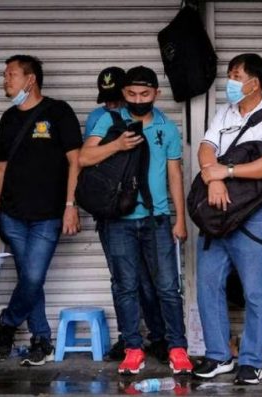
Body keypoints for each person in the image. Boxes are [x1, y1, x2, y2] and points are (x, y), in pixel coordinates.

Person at [79, 66, 191, 376]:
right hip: (118, 220)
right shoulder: (109, 120)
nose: (138, 99)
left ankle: (177, 348)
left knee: (168, 287)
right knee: (125, 286)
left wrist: (179, 219)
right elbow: (83, 159)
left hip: (157, 219)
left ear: (156, 93)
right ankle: (132, 348)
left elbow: (174, 174)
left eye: (144, 94)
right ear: (123, 94)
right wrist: (116, 145)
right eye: (131, 94)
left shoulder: (167, 128)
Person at [193, 53, 262, 385]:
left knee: (256, 291)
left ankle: (250, 360)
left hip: (253, 216)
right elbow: (206, 149)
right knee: (208, 285)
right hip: (217, 212)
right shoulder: (224, 113)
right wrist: (214, 178)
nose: (231, 82)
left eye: (237, 75)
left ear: (255, 83)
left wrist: (229, 170)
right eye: (230, 75)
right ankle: (219, 356)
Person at [0, 55, 82, 367]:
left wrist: (71, 205)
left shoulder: (59, 112)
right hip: (12, 216)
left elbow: (75, 161)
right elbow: (1, 169)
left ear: (31, 80)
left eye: (11, 75)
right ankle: (41, 339)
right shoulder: (8, 119)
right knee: (31, 277)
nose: (5, 81)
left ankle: (9, 324)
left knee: (32, 276)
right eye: (4, 75)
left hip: (48, 215)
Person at [84, 66, 126, 136]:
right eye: (107, 100)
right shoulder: (95, 116)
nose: (112, 106)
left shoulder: (135, 113)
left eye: (116, 100)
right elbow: (88, 146)